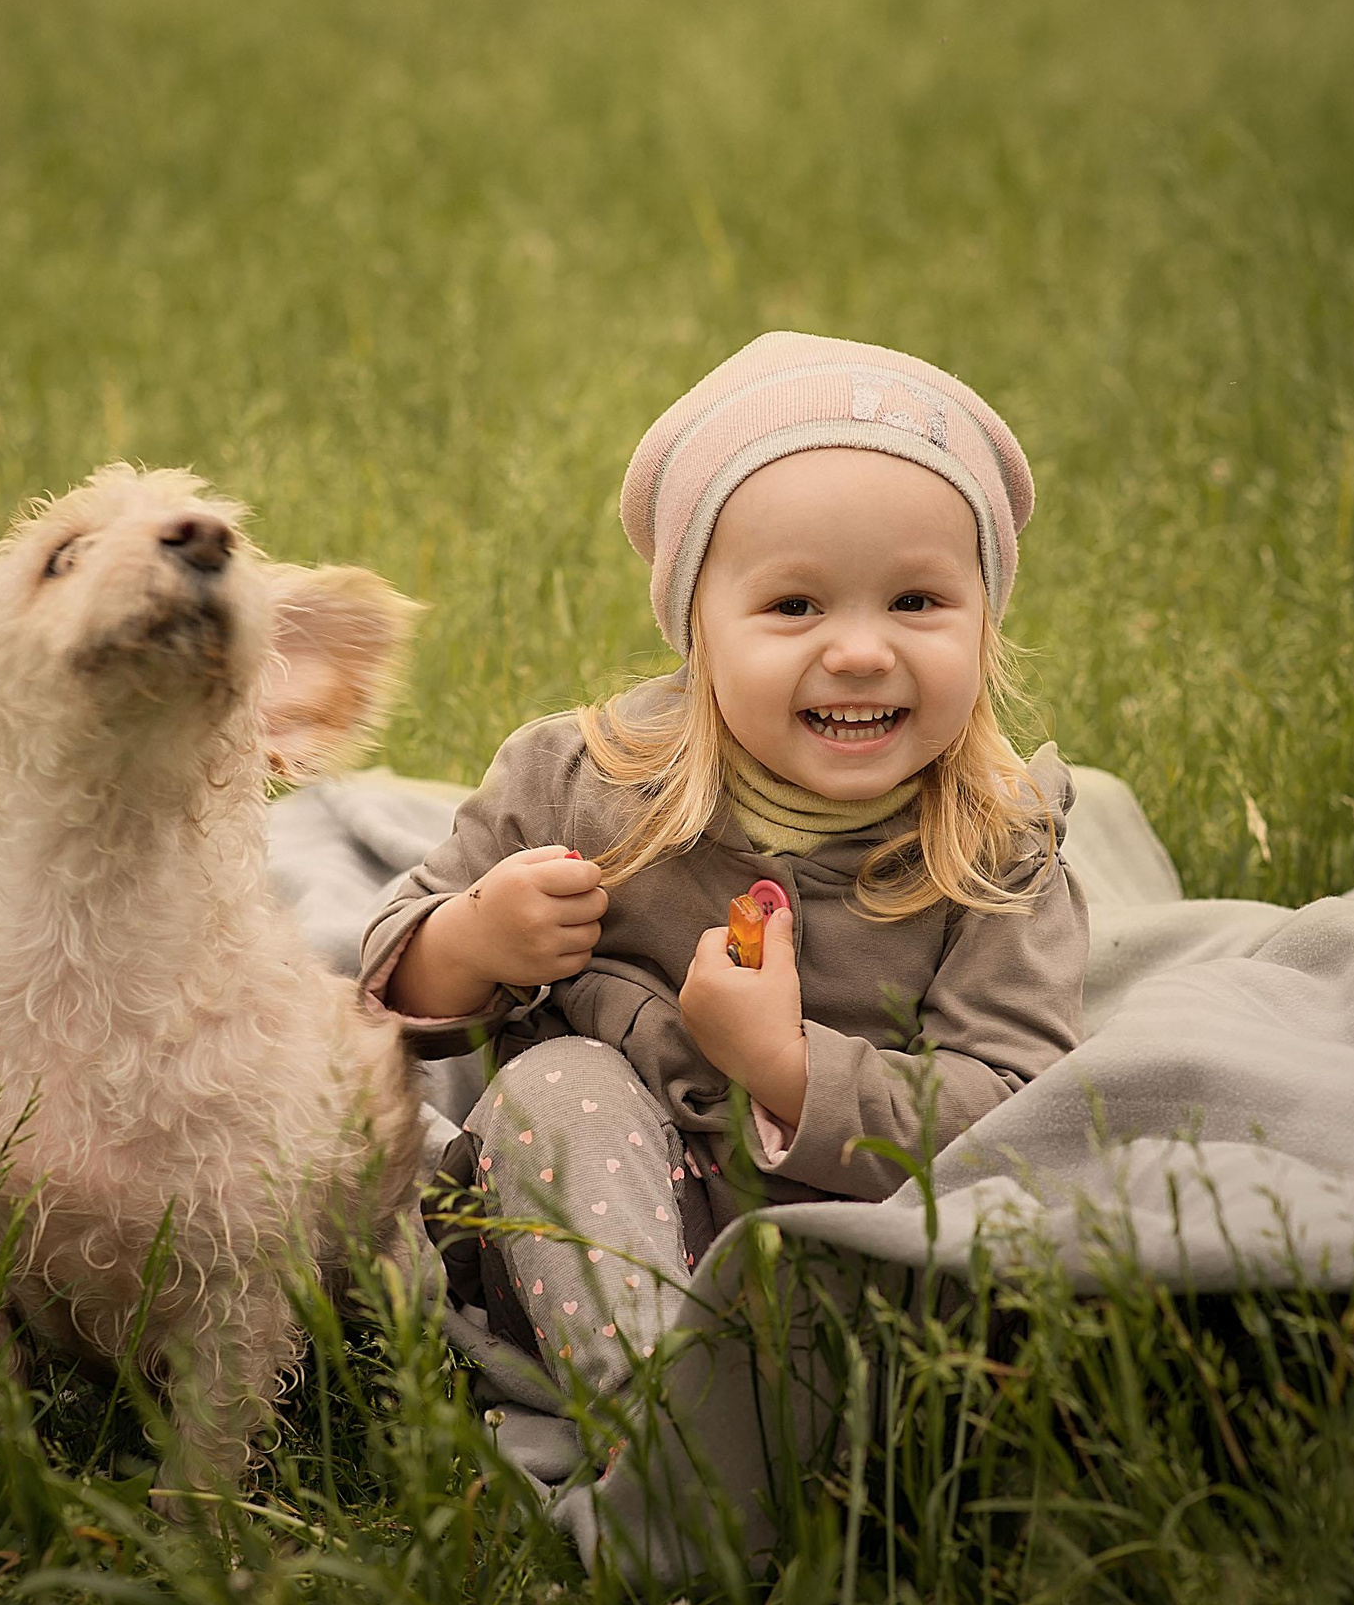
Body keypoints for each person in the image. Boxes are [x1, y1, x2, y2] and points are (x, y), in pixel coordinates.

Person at [361, 331, 1087, 1390]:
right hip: (586, 1234)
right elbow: (390, 973)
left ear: (985, 621)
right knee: (556, 1079)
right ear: (696, 629)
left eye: (916, 602)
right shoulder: (580, 780)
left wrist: (787, 1069)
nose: (858, 649)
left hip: (842, 1241)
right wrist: (475, 936)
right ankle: (658, 1409)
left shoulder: (995, 848)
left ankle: (785, 1391)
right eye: (794, 605)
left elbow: (1016, 1110)